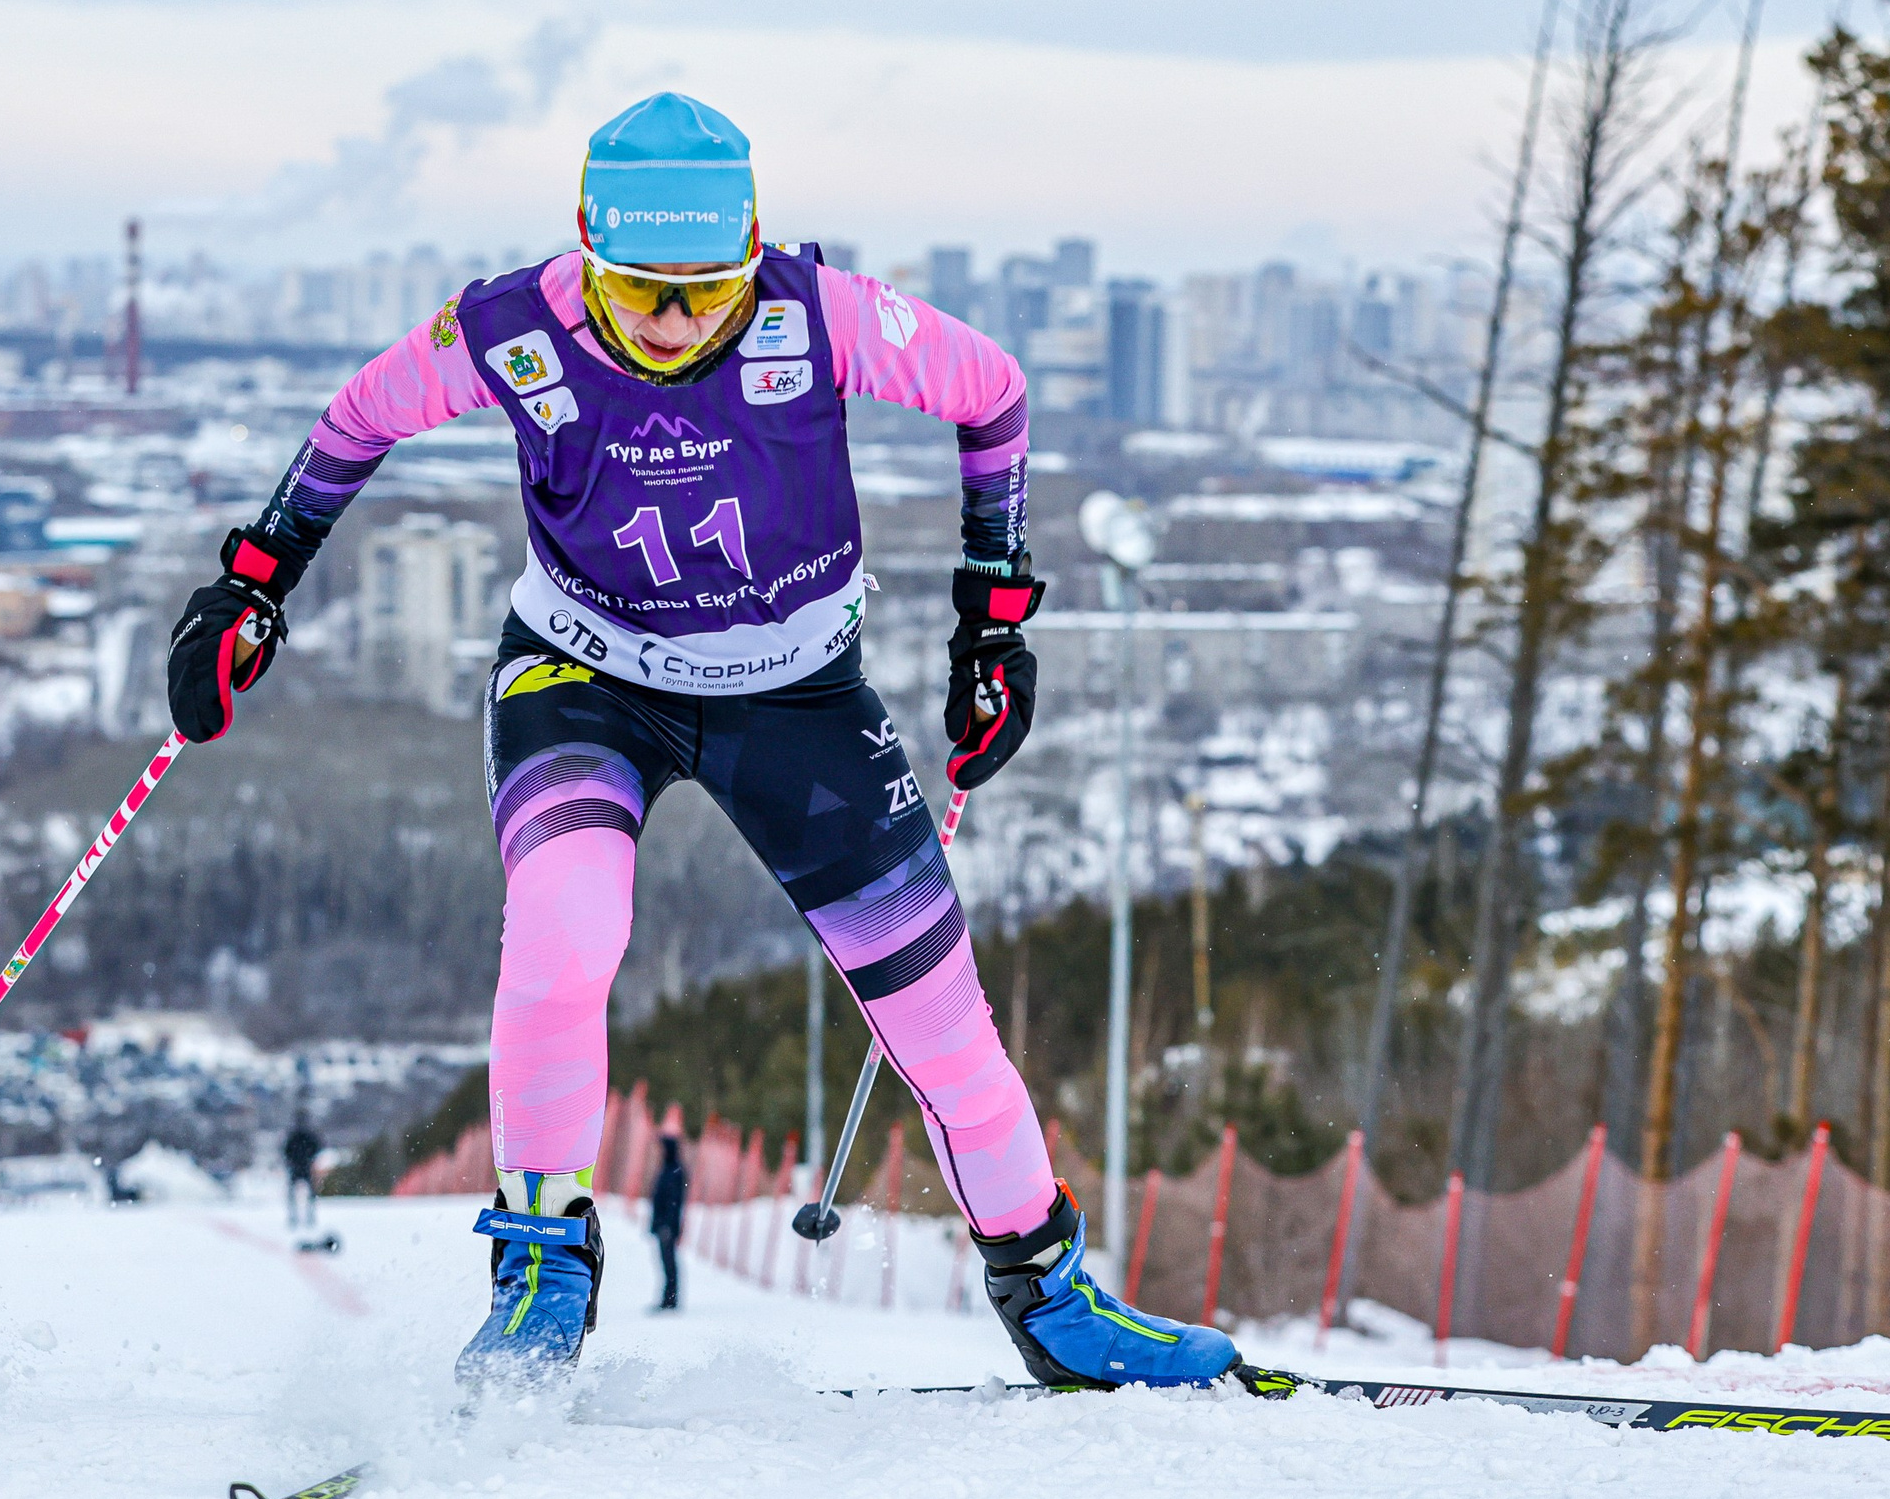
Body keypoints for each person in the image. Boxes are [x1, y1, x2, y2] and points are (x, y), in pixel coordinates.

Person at [167, 92, 1243, 1395]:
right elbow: (357, 421)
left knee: (942, 1023)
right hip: (584, 675)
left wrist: (993, 619)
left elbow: (994, 394)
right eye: (639, 290)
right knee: (567, 929)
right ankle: (541, 1269)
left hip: (793, 693)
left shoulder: (816, 314)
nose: (677, 322)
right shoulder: (508, 328)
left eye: (707, 287)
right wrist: (254, 581)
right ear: (583, 241)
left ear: (751, 244)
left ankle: (1053, 1296)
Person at [648, 1135, 687, 1312]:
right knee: (665, 1262)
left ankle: (671, 1299)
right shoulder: (667, 1169)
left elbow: (674, 1201)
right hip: (663, 1224)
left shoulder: (675, 1171)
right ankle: (667, 1298)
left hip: (667, 1226)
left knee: (669, 1263)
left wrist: (668, 1226)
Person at [282, 1118, 323, 1232]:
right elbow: (317, 1148)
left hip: (300, 1166)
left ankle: (301, 1216)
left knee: (300, 1194)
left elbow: (286, 1150)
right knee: (307, 1194)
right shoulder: (306, 1136)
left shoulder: (296, 1136)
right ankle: (305, 1216)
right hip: (304, 1166)